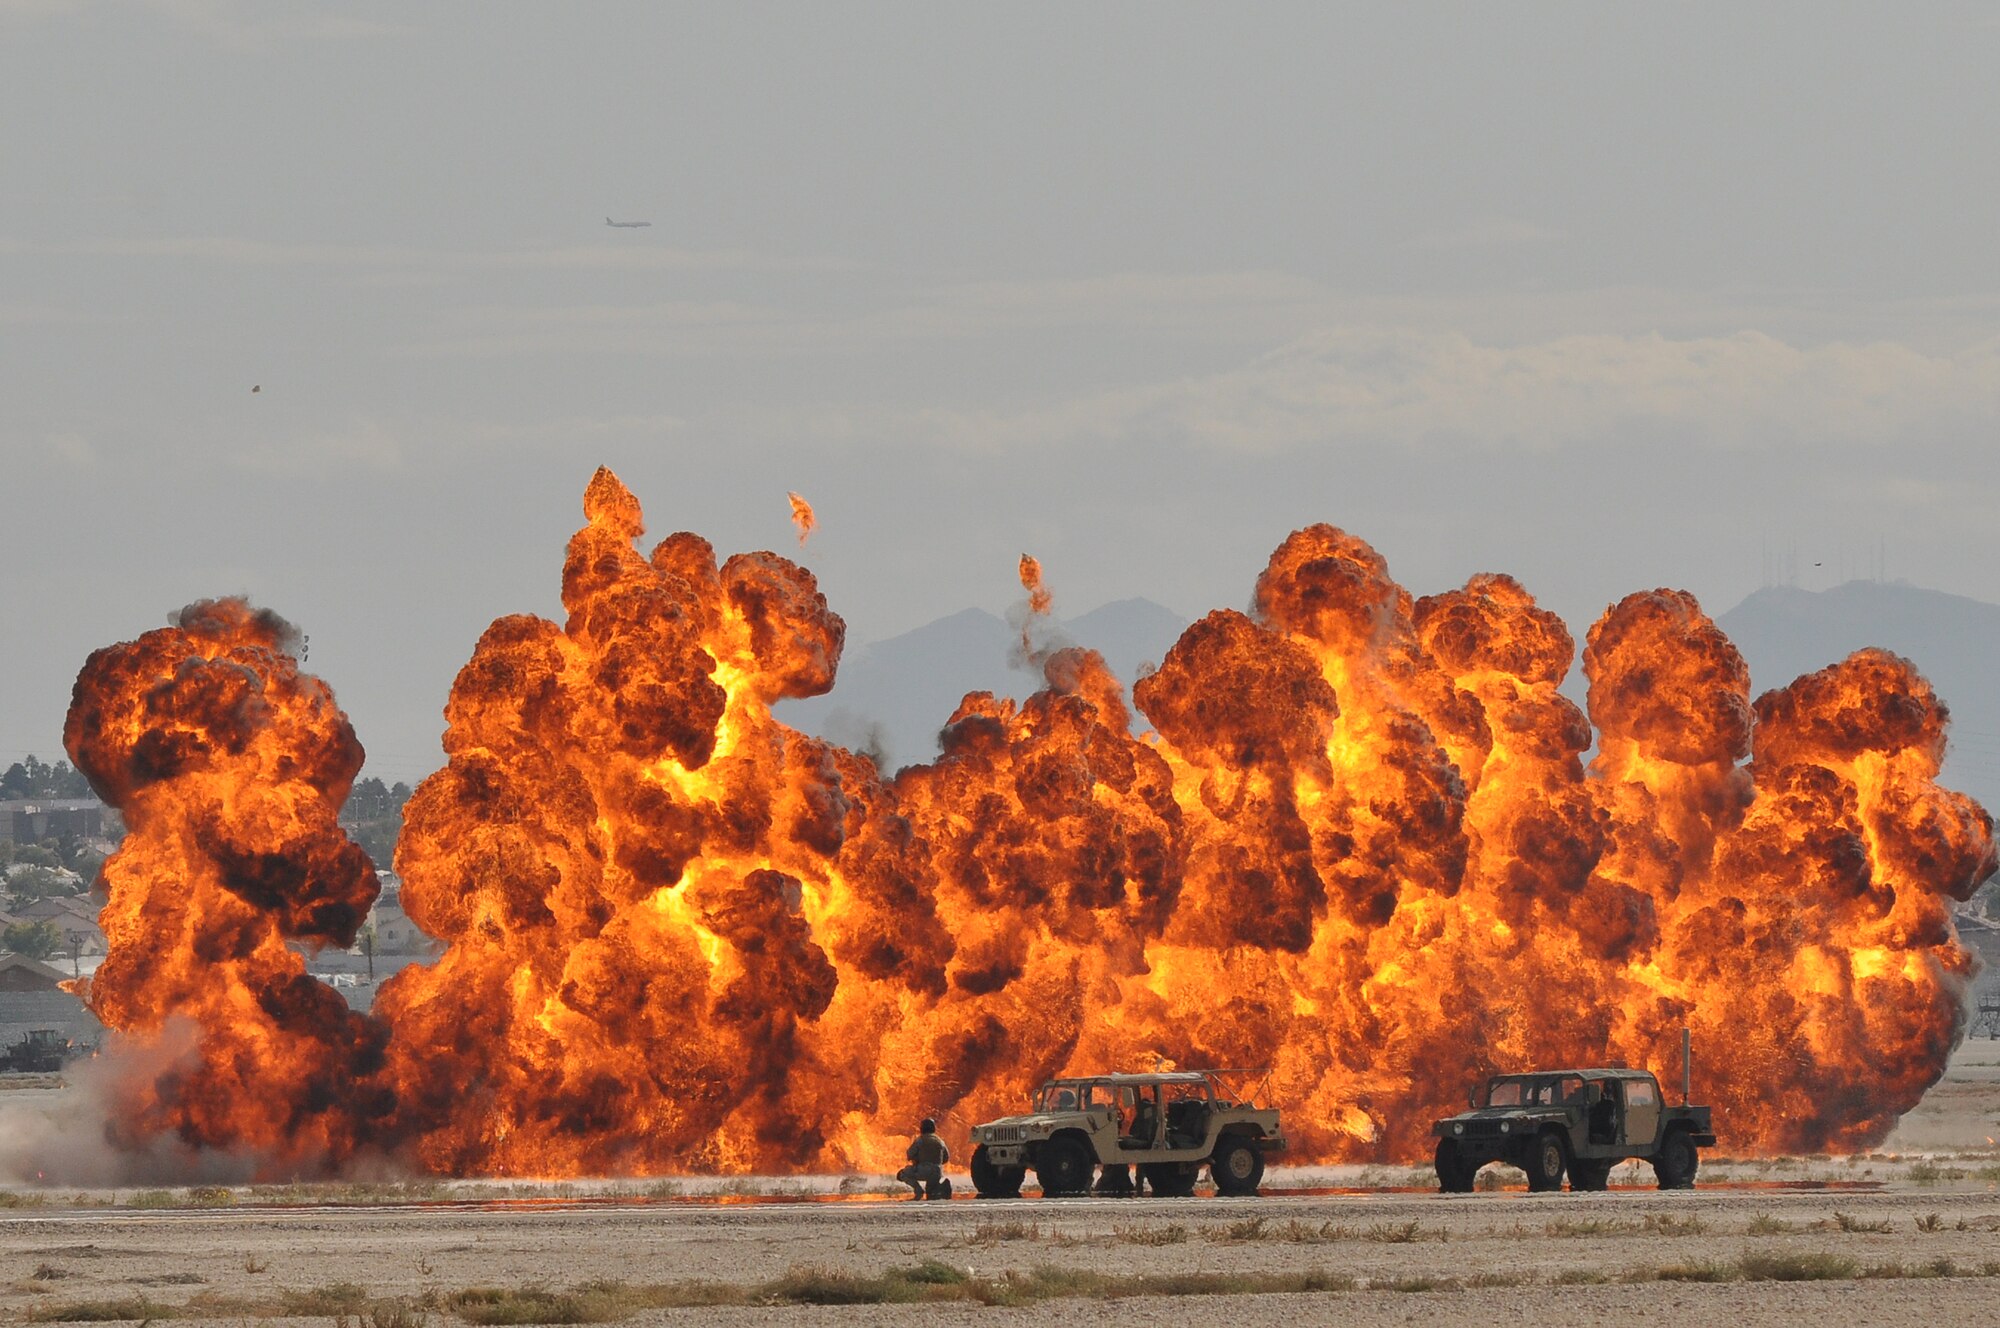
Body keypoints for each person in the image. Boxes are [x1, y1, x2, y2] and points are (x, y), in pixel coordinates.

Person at [897, 1118, 952, 1200]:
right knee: (930, 1192)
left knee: (902, 1174)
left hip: (924, 1170)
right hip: (937, 1172)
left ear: (922, 1128)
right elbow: (946, 1158)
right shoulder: (940, 1141)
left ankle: (918, 1190)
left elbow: (909, 1154)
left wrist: (917, 1159)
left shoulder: (920, 1140)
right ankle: (942, 1186)